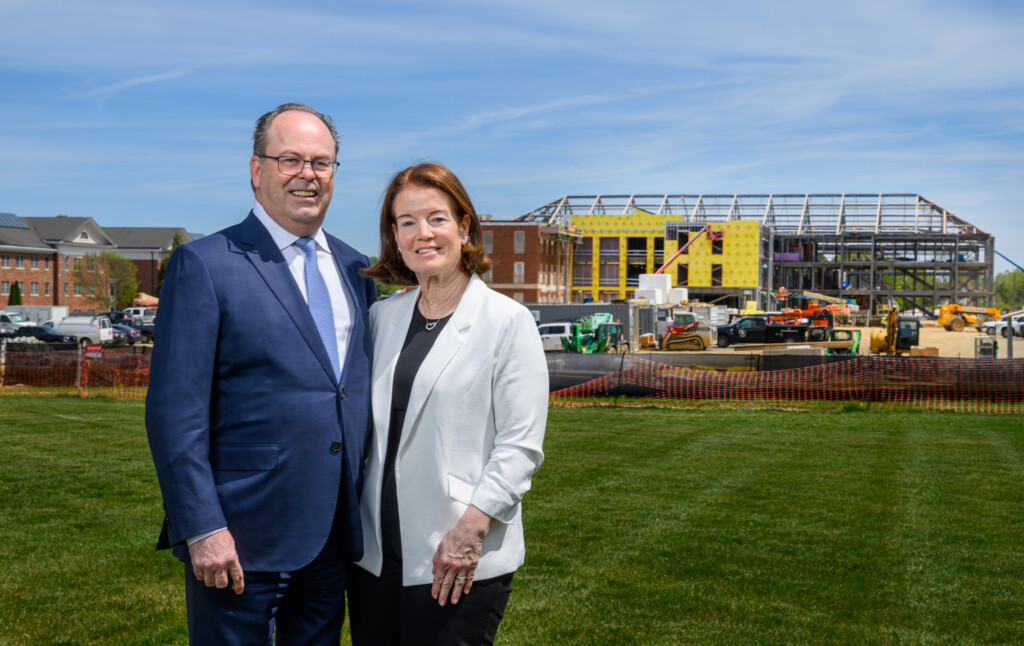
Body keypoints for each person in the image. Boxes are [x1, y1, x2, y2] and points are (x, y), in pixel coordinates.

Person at [146, 103, 375, 645]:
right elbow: (175, 415)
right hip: (240, 537)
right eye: (290, 159)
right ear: (257, 169)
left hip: (333, 535)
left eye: (321, 163)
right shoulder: (206, 264)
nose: (307, 175)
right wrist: (202, 526)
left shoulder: (355, 268)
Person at [350, 162, 548, 645]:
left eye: (437, 218)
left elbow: (519, 447)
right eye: (407, 222)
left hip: (456, 553)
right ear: (394, 236)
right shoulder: (383, 317)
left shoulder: (507, 321)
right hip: (374, 556)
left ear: (463, 227)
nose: (424, 234)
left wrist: (470, 531)